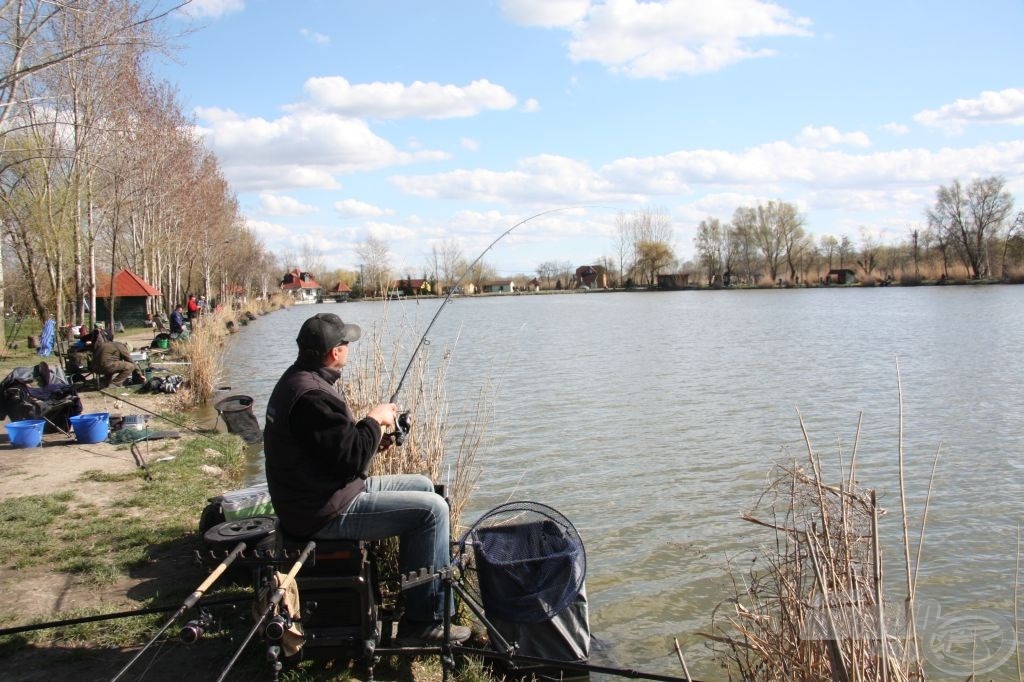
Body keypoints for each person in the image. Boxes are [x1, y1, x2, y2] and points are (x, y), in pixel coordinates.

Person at [263, 313, 470, 645]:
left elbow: (334, 452)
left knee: (423, 485)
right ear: (334, 352)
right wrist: (374, 420)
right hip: (321, 512)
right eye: (346, 342)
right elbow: (350, 458)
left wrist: (373, 439)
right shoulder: (313, 396)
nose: (348, 347)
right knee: (433, 511)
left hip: (323, 492)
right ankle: (424, 621)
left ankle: (417, 594)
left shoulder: (299, 381)